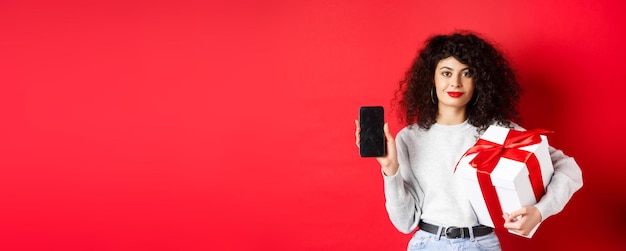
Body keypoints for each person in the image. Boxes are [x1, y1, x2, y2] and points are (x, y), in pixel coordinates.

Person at [354, 31, 583, 251]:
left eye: (467, 73)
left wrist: (539, 211)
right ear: (431, 78)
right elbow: (404, 223)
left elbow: (569, 169)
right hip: (428, 244)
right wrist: (390, 170)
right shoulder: (409, 138)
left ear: (479, 80)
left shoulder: (499, 132)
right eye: (446, 73)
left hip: (482, 244)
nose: (455, 82)